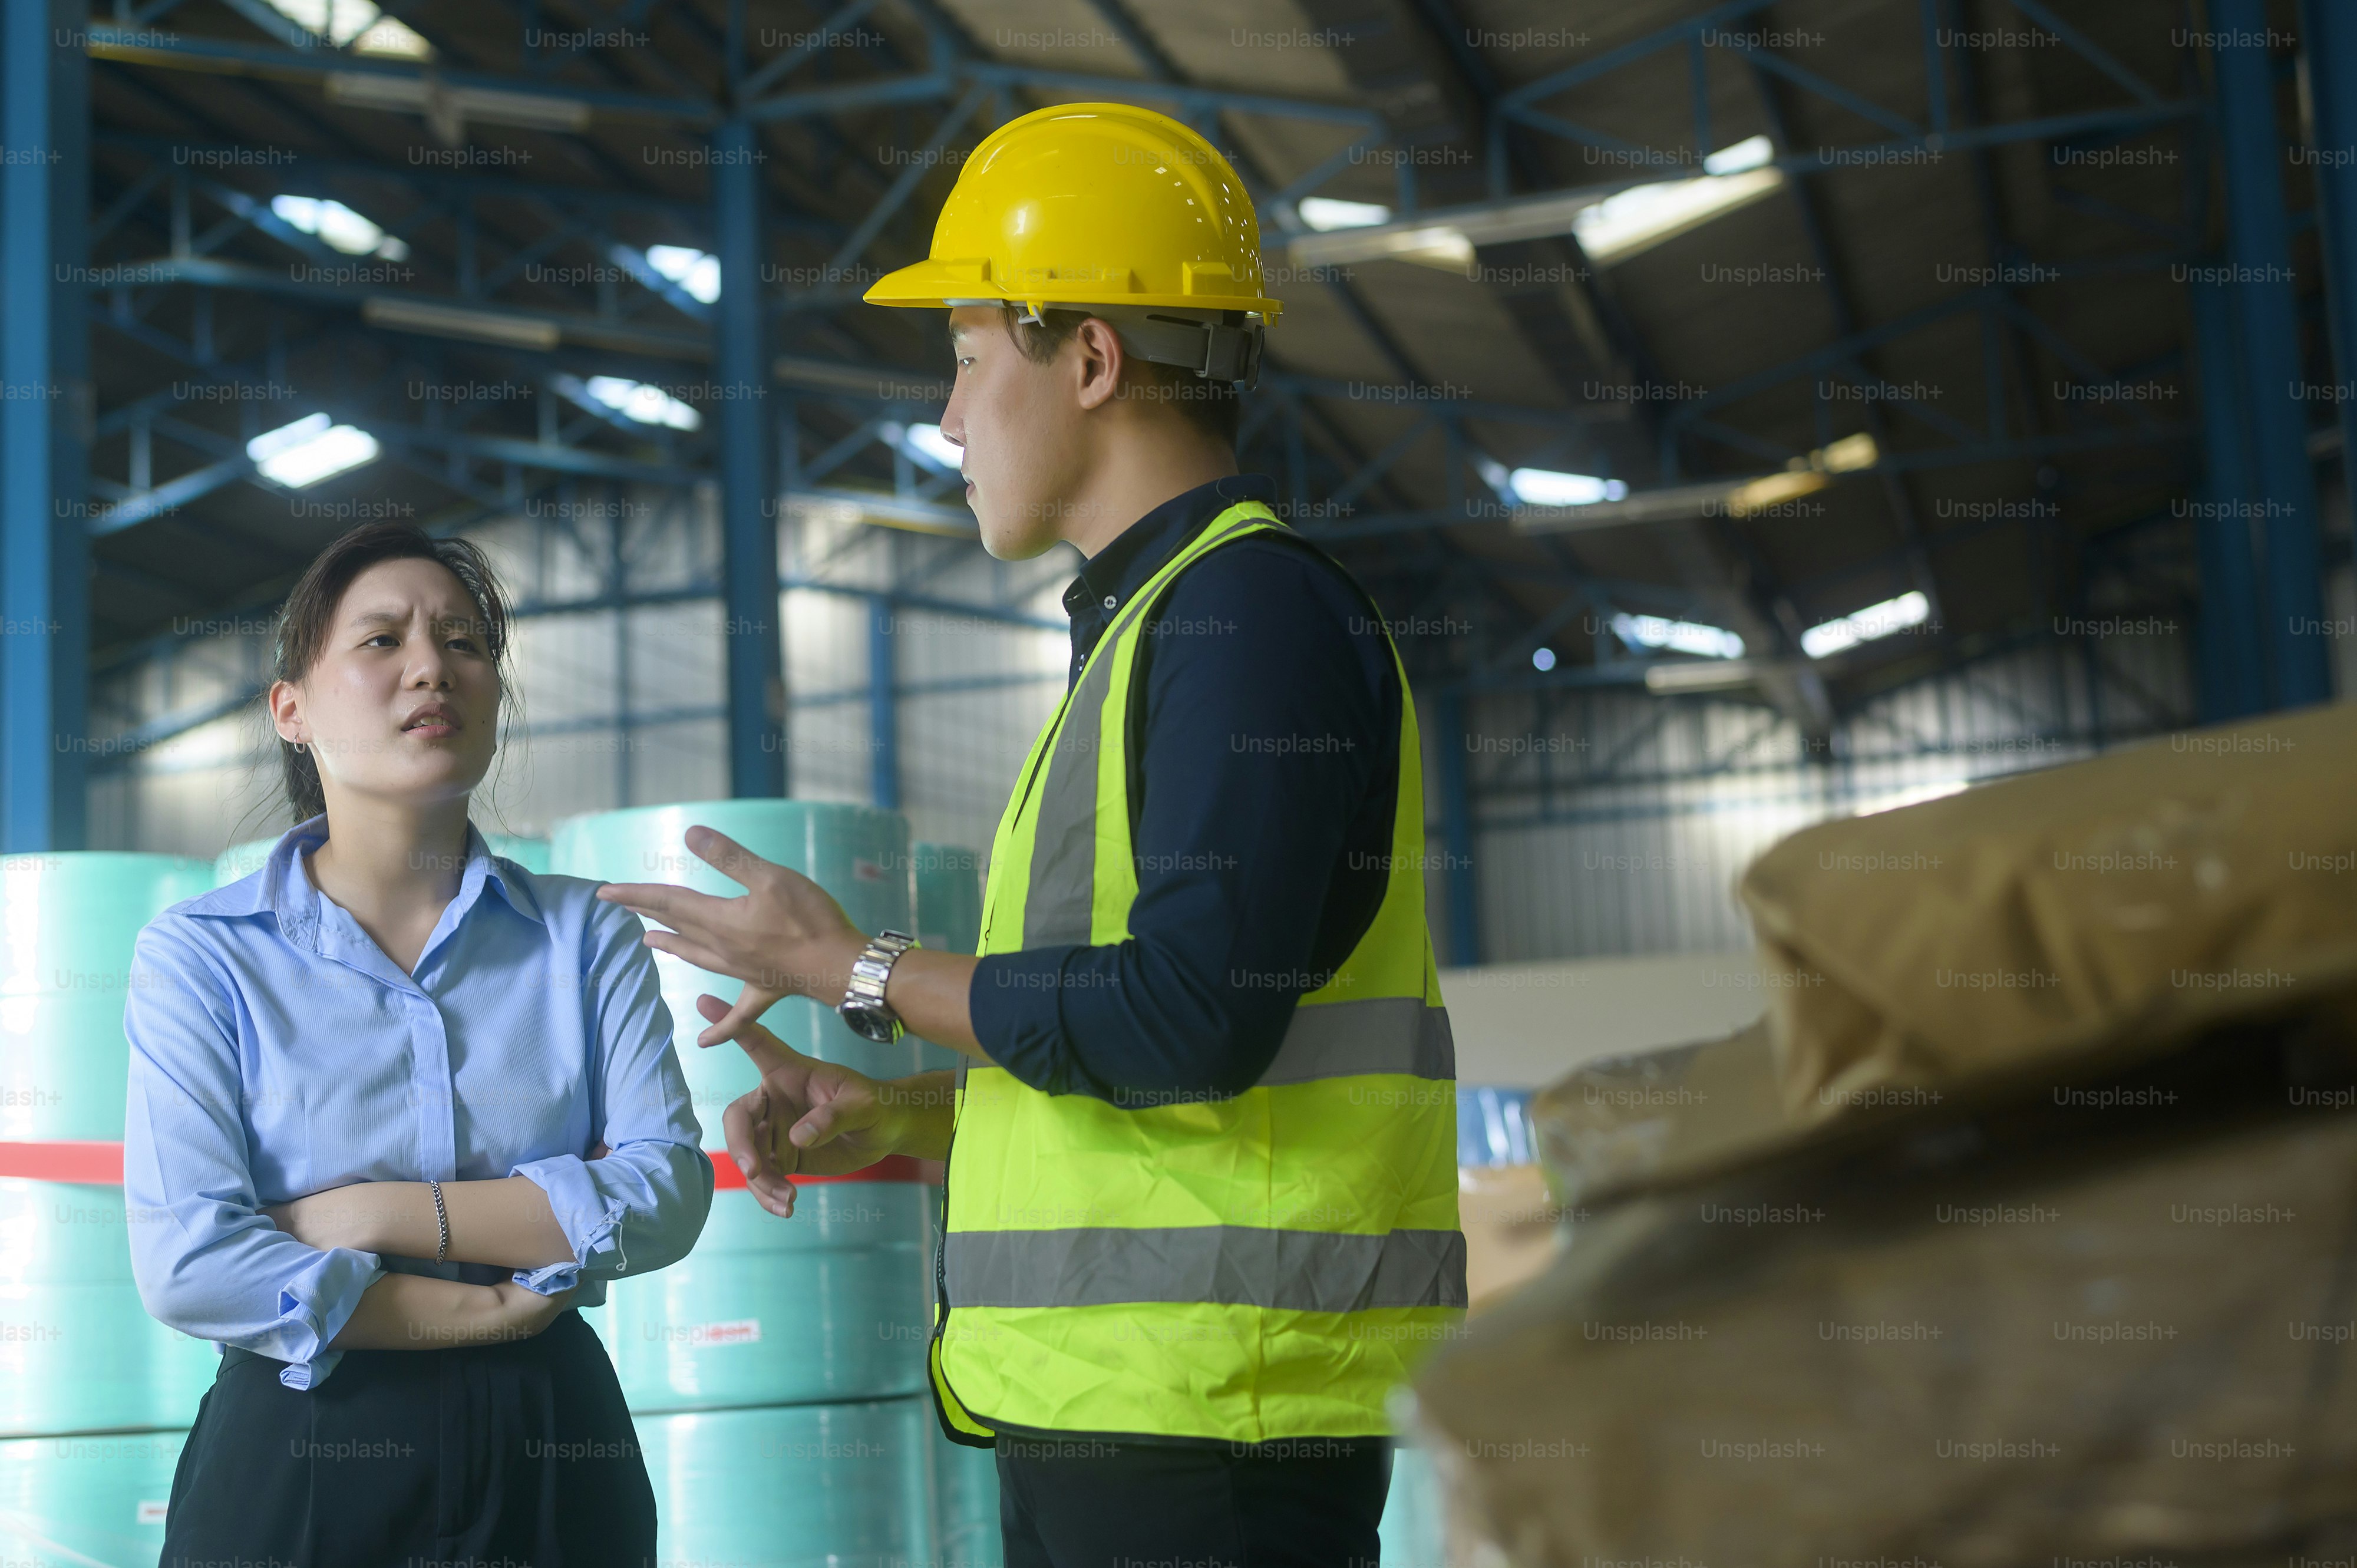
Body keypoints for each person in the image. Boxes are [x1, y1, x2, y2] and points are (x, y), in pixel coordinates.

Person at [597, 104, 1464, 1567]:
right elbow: (1139, 1057)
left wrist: (855, 966)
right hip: (1127, 1416)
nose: (946, 419)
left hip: (1215, 1428)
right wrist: (911, 1114)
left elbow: (1189, 1015)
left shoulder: (1249, 618)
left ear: (1091, 359)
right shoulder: (1151, 632)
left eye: (964, 355)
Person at [124, 521, 712, 1563]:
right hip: (305, 1437)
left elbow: (665, 1193)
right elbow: (190, 1260)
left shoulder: (584, 935)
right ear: (291, 710)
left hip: (550, 1442)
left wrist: (373, 1213)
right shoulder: (204, 955)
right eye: (382, 640)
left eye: (463, 641)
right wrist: (483, 1306)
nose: (432, 667)